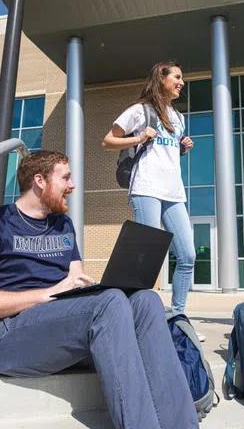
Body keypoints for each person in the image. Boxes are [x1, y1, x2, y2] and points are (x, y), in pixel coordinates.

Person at [0, 150, 198, 429]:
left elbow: (76, 280)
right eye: (66, 178)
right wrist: (46, 294)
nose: (72, 186)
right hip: (8, 338)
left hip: (60, 330)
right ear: (40, 181)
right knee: (108, 303)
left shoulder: (63, 224)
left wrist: (93, 287)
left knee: (145, 299)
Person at [102, 60, 196, 317]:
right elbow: (108, 141)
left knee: (187, 255)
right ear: (161, 79)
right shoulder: (140, 111)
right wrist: (139, 137)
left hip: (173, 191)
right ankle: (136, 313)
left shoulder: (178, 117)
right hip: (146, 187)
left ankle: (177, 315)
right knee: (146, 256)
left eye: (182, 77)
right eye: (176, 76)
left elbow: (165, 151)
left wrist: (182, 147)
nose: (181, 82)